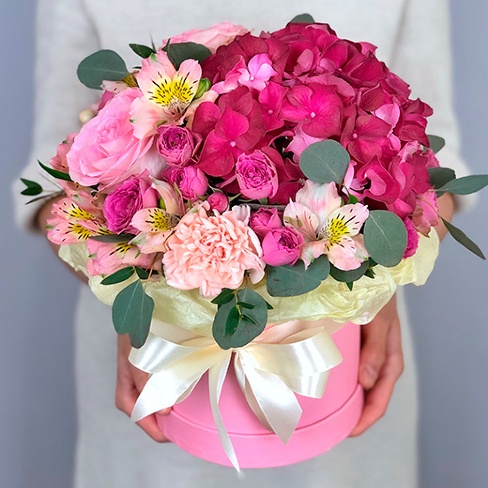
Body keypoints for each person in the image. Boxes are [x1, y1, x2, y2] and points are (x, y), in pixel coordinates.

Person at [14, 0, 468, 486]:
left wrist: (374, 289)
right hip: (153, 364)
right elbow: (55, 185)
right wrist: (142, 297)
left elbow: (432, 168)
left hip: (344, 359)